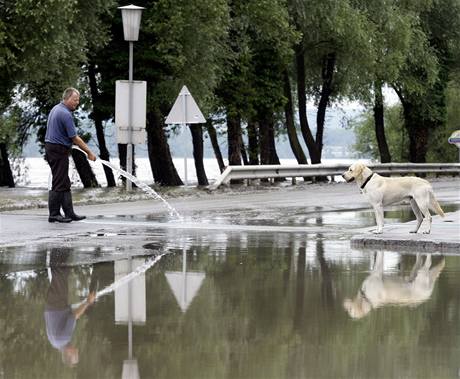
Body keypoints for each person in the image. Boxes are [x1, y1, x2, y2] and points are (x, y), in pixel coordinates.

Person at [45, 87, 97, 223]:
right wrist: (89, 152)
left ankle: (70, 213)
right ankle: (54, 214)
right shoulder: (65, 114)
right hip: (57, 150)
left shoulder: (56, 109)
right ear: (67, 98)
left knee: (63, 181)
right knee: (59, 182)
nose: (77, 103)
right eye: (75, 100)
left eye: (78, 100)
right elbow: (75, 138)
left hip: (53, 148)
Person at [44, 248, 96, 367]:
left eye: (75, 354)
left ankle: (59, 247)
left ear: (68, 354)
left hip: (57, 304)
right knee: (61, 274)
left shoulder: (64, 339)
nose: (77, 351)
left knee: (60, 274)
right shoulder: (55, 344)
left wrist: (88, 302)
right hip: (52, 306)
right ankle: (59, 249)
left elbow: (74, 316)